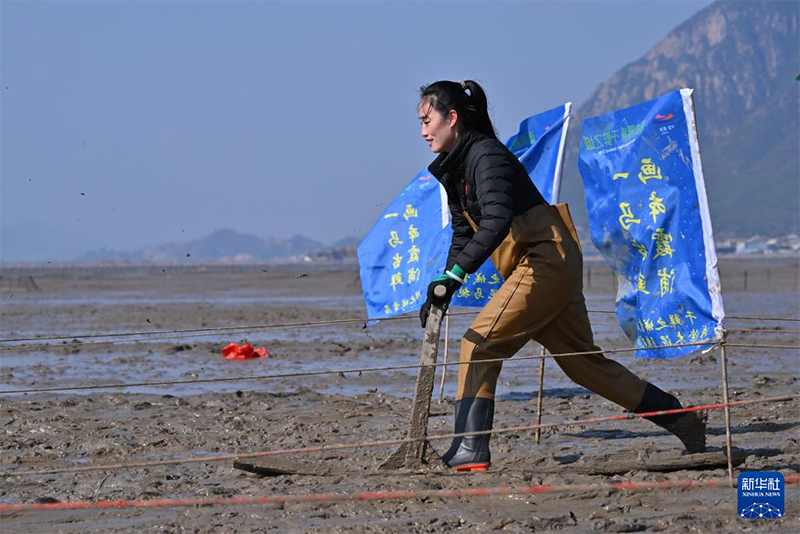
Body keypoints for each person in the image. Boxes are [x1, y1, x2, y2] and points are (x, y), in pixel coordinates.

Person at [417, 79, 706, 472]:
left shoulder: (486, 155)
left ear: (451, 118)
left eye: (427, 120)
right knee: (583, 364)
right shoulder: (455, 167)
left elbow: (497, 219)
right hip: (542, 264)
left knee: (478, 343)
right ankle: (680, 418)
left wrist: (454, 275)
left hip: (544, 260)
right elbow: (463, 232)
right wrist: (445, 286)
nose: (423, 131)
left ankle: (471, 449)